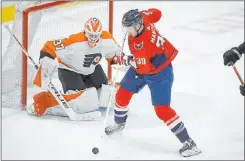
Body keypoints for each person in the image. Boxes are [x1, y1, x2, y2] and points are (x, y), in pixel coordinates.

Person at [104, 9, 201, 157]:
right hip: (144, 66)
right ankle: (119, 122)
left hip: (159, 73)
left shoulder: (143, 44)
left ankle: (189, 143)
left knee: (162, 110)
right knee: (122, 94)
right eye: (126, 28)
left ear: (137, 26)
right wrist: (142, 13)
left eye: (130, 28)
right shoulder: (143, 19)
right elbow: (157, 13)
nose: (128, 32)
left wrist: (123, 60)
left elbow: (141, 65)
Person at [26, 17, 121, 118]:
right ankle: (45, 101)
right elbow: (49, 47)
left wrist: (127, 62)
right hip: (70, 71)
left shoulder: (107, 40)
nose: (93, 38)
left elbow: (114, 57)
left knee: (106, 97)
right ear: (85, 31)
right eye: (90, 35)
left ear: (101, 33)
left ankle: (84, 96)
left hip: (91, 70)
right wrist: (46, 62)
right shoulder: (74, 41)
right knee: (81, 104)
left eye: (96, 35)